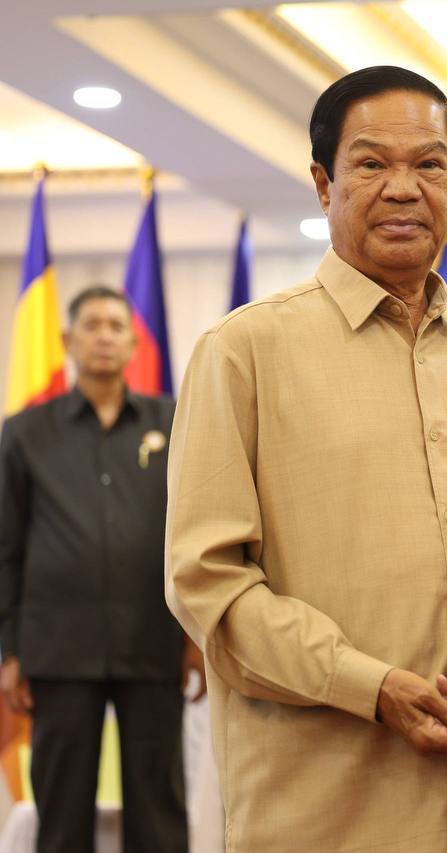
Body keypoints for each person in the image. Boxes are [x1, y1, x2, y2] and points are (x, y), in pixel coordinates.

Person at [165, 66, 447, 852]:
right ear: (323, 183)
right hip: (326, 813)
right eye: (372, 163)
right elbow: (209, 583)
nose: (404, 188)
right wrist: (369, 686)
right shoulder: (245, 350)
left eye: (429, 164)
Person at [0, 286, 203, 853]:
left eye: (117, 326)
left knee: (159, 812)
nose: (105, 336)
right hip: (57, 651)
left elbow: (194, 537)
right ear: (68, 340)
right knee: (61, 816)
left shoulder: (174, 422)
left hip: (153, 644)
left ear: (134, 343)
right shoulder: (25, 432)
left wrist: (196, 637)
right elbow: (6, 547)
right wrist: (9, 651)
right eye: (92, 325)